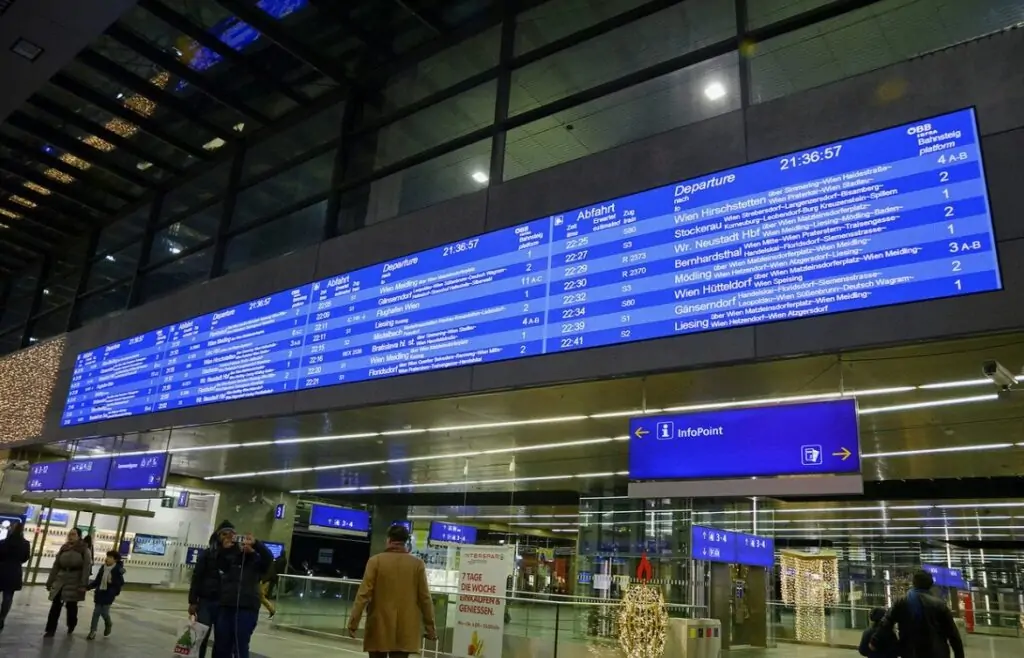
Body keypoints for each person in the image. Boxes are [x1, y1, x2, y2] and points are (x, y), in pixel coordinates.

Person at [347, 524, 437, 658]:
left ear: (388, 539)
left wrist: (353, 622)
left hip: (379, 626)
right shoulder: (417, 564)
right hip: (405, 628)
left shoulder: (375, 561)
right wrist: (430, 627)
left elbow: (363, 595)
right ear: (406, 541)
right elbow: (425, 598)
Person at [212, 520, 273, 658]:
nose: (243, 545)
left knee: (240, 645)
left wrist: (256, 545)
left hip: (247, 608)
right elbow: (219, 563)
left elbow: (268, 558)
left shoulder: (257, 561)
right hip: (226, 606)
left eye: (245, 542)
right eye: (240, 542)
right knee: (222, 645)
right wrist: (224, 549)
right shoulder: (230, 558)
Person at [871, 570, 965, 658]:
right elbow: (953, 634)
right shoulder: (940, 604)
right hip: (937, 653)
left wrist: (875, 641)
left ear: (914, 583)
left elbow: (886, 622)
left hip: (911, 652)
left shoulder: (902, 602)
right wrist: (959, 655)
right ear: (931, 585)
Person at [189, 521, 232, 658]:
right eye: (224, 534)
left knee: (222, 639)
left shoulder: (235, 555)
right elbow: (197, 577)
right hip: (206, 601)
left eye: (231, 534)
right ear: (218, 535)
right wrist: (193, 601)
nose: (228, 537)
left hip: (224, 603)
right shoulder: (207, 555)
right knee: (201, 636)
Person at [44, 527, 92, 637]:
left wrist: (83, 584)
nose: (70, 536)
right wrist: (50, 581)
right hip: (61, 579)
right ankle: (50, 630)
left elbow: (86, 568)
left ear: (79, 536)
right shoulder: (64, 548)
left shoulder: (84, 549)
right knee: (55, 605)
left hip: (75, 581)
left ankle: (71, 624)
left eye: (73, 534)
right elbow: (56, 565)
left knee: (71, 605)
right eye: (70, 534)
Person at [86, 550, 125, 640]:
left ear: (115, 560)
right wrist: (88, 587)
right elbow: (97, 581)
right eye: (107, 556)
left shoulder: (118, 570)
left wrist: (112, 583)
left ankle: (108, 624)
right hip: (100, 592)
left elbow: (121, 582)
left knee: (104, 612)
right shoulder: (103, 568)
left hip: (109, 593)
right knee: (96, 612)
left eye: (110, 557)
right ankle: (93, 631)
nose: (107, 559)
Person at [0, 520, 31, 632]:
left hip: (2, 569)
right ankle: (2, 618)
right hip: (15, 571)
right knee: (8, 596)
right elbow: (26, 557)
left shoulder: (3, 542)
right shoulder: (25, 544)